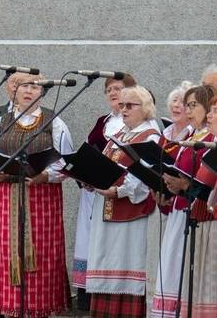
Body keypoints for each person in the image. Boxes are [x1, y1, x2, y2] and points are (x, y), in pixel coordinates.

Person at [0, 74, 74, 317]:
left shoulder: (55, 122)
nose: (29, 91)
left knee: (41, 256)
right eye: (24, 86)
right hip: (7, 196)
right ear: (15, 91)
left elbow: (66, 161)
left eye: (35, 87)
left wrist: (45, 175)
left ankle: (39, 309)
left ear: (42, 93)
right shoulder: (0, 123)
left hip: (41, 198)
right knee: (6, 253)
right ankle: (9, 309)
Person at [86, 86, 160, 317]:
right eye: (122, 105)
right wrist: (89, 177)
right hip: (107, 212)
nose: (123, 109)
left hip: (131, 216)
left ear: (145, 108)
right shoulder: (118, 135)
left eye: (130, 105)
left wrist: (118, 191)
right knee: (105, 262)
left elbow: (145, 177)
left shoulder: (150, 136)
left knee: (125, 264)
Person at [151, 85, 217, 318]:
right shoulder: (190, 136)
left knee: (189, 272)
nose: (188, 110)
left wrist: (185, 186)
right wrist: (165, 190)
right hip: (179, 213)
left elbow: (209, 180)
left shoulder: (212, 138)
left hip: (199, 215)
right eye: (186, 105)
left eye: (194, 105)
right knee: (173, 271)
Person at [73, 74, 137, 312]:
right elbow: (88, 150)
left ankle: (111, 297)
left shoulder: (134, 124)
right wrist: (82, 174)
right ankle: (88, 297)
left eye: (118, 88)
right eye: (109, 89)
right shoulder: (103, 121)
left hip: (117, 192)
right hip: (93, 193)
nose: (112, 92)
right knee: (89, 241)